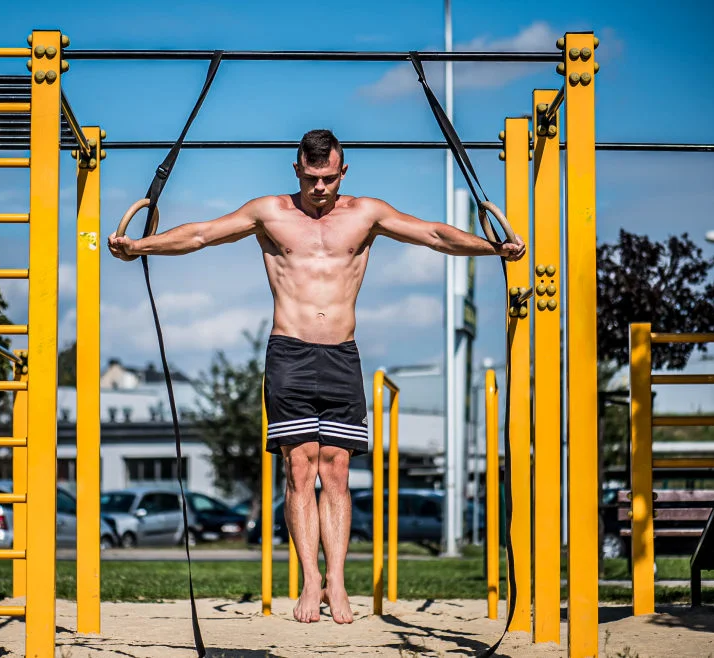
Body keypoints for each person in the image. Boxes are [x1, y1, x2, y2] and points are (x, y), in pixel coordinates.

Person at [108, 129, 525, 624]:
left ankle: (338, 583)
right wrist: (141, 245)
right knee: (299, 469)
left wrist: (492, 247)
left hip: (341, 355)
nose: (320, 188)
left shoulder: (366, 214)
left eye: (328, 178)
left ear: (342, 172)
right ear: (297, 170)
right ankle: (310, 581)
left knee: (338, 472)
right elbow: (201, 234)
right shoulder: (270, 213)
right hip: (289, 352)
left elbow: (433, 234)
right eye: (311, 178)